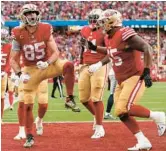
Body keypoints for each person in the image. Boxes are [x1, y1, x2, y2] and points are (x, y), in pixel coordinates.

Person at [86, 9, 166, 150]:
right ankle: (143, 141)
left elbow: (147, 47)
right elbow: (112, 51)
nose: (102, 25)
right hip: (121, 80)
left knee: (126, 107)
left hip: (134, 75)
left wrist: (147, 71)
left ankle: (158, 116)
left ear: (112, 22)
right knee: (120, 112)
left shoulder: (124, 33)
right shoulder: (108, 38)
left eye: (104, 22)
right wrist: (96, 48)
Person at [10, 4, 80, 148]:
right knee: (27, 105)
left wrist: (47, 62)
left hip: (47, 65)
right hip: (30, 70)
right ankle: (29, 136)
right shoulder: (18, 32)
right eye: (29, 14)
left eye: (34, 13)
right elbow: (12, 59)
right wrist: (19, 74)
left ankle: (69, 98)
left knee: (68, 65)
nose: (32, 16)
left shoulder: (45, 28)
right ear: (23, 16)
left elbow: (55, 52)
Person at [79, 9, 107, 139]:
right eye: (91, 18)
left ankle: (100, 127)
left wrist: (99, 64)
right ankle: (97, 116)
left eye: (95, 18)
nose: (93, 21)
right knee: (84, 99)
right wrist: (80, 62)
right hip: (86, 64)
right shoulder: (84, 30)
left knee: (96, 97)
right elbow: (82, 46)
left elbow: (110, 50)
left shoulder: (105, 31)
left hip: (100, 64)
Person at [1, 28, 12, 123]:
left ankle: (0, 117)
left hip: (2, 74)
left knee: (2, 97)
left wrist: (5, 71)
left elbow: (9, 61)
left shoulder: (9, 46)